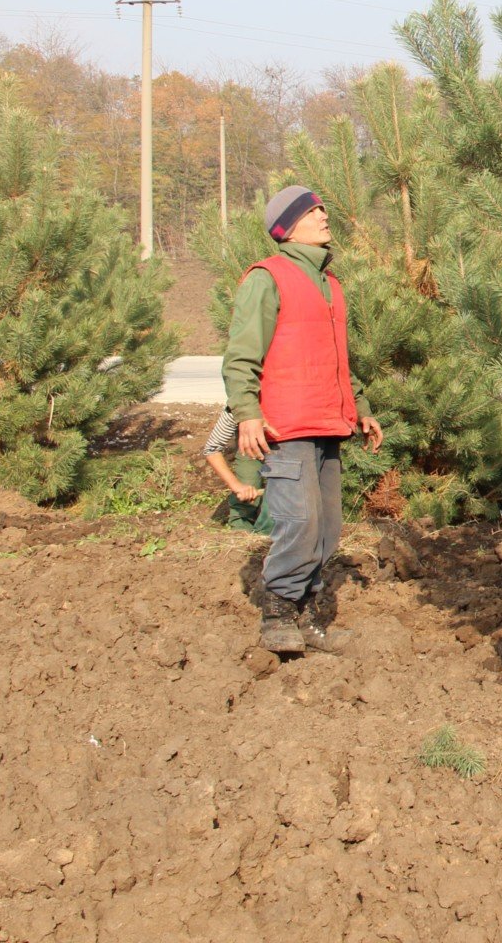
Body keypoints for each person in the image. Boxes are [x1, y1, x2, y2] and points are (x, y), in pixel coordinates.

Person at [225, 184, 383, 655]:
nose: (323, 214)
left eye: (321, 207)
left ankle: (310, 620)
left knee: (326, 526)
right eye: (312, 211)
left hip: (328, 423)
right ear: (289, 227)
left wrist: (362, 410)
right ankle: (277, 614)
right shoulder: (266, 278)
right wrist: (247, 415)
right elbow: (240, 357)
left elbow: (337, 360)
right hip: (286, 426)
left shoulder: (329, 284)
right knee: (299, 522)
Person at [201, 406, 271, 534]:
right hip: (252, 450)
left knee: (279, 497)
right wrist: (236, 485)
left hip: (291, 451)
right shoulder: (237, 408)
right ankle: (241, 529)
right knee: (249, 480)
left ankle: (269, 530)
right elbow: (212, 449)